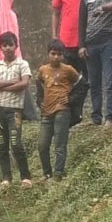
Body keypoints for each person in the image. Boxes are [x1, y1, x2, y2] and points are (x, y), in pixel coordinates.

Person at [51, 0, 93, 126]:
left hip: (85, 41)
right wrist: (54, 35)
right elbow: (55, 12)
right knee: (66, 79)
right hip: (66, 42)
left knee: (84, 80)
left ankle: (79, 112)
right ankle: (67, 113)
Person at [0, 32, 33, 188]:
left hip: (14, 110)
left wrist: (4, 85)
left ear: (16, 46)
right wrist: (12, 82)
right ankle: (6, 178)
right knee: (2, 144)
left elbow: (24, 84)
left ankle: (25, 177)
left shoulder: (23, 64)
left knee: (16, 144)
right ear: (0, 47)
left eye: (10, 45)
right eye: (4, 45)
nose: (8, 48)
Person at [35, 41, 80, 181]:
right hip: (47, 112)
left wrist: (71, 99)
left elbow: (82, 85)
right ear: (48, 54)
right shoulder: (43, 70)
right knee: (42, 145)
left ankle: (58, 174)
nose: (55, 57)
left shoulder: (68, 70)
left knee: (60, 145)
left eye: (59, 54)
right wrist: (40, 102)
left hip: (62, 110)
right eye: (53, 54)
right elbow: (39, 87)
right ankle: (47, 173)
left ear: (63, 55)